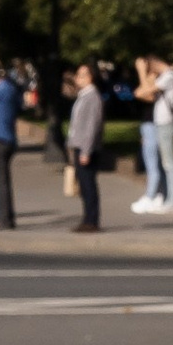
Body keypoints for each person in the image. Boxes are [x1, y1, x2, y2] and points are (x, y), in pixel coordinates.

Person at [0, 58, 35, 230]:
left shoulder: (0, 88)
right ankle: (7, 217)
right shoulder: (9, 88)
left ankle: (5, 220)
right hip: (8, 138)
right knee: (3, 181)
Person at [133, 56, 173, 215]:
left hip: (166, 123)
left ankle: (172, 200)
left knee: (169, 163)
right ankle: (167, 198)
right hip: (161, 123)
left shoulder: (169, 76)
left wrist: (141, 72)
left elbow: (144, 92)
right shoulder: (167, 76)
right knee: (165, 163)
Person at [66, 62, 105, 233]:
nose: (77, 78)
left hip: (86, 148)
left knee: (88, 184)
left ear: (90, 77)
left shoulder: (92, 97)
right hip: (79, 146)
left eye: (81, 75)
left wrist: (86, 151)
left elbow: (92, 126)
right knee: (83, 184)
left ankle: (92, 220)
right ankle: (87, 218)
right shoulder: (83, 96)